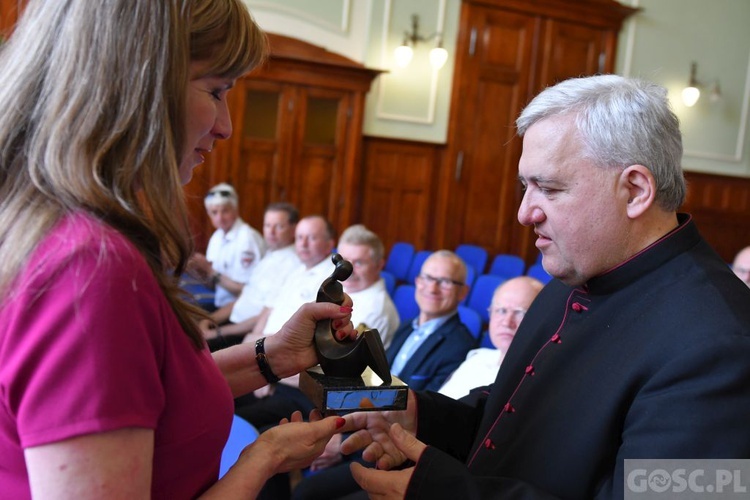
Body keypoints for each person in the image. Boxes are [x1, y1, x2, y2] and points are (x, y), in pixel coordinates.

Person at [0, 1, 357, 498]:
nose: (227, 126)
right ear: (135, 85)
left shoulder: (71, 233)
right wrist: (265, 458)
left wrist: (271, 355)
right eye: (215, 91)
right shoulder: (91, 269)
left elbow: (154, 393)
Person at [338, 75, 750, 499]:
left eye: (549, 189)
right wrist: (421, 416)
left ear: (635, 190)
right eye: (525, 187)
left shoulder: (722, 346)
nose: (523, 213)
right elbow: (516, 414)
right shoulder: (573, 272)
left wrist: (441, 492)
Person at [291, 250, 477, 500]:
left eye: (444, 281)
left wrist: (342, 437)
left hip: (391, 447)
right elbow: (376, 384)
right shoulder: (406, 327)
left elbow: (423, 411)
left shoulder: (459, 345)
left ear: (463, 292)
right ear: (417, 282)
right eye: (427, 278)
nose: (432, 287)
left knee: (306, 493)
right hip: (365, 428)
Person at [202, 202, 301, 348]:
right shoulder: (269, 255)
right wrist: (209, 320)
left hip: (245, 332)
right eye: (267, 225)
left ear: (294, 229)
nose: (271, 232)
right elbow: (243, 299)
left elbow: (264, 315)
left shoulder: (293, 263)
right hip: (231, 322)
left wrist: (218, 333)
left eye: (279, 226)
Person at [438, 276, 543, 399]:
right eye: (502, 310)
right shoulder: (477, 358)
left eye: (521, 313)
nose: (507, 322)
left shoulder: (538, 380)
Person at [188, 182, 266, 308]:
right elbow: (214, 284)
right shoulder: (217, 237)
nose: (220, 218)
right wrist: (199, 270)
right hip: (220, 304)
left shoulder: (247, 238)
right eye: (214, 212)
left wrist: (209, 270)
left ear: (235, 211)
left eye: (225, 211)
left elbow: (245, 292)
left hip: (241, 311)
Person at [335, 224, 400, 349]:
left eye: (358, 263)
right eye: (344, 261)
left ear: (379, 265)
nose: (348, 269)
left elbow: (346, 363)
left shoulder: (376, 312)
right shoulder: (341, 288)